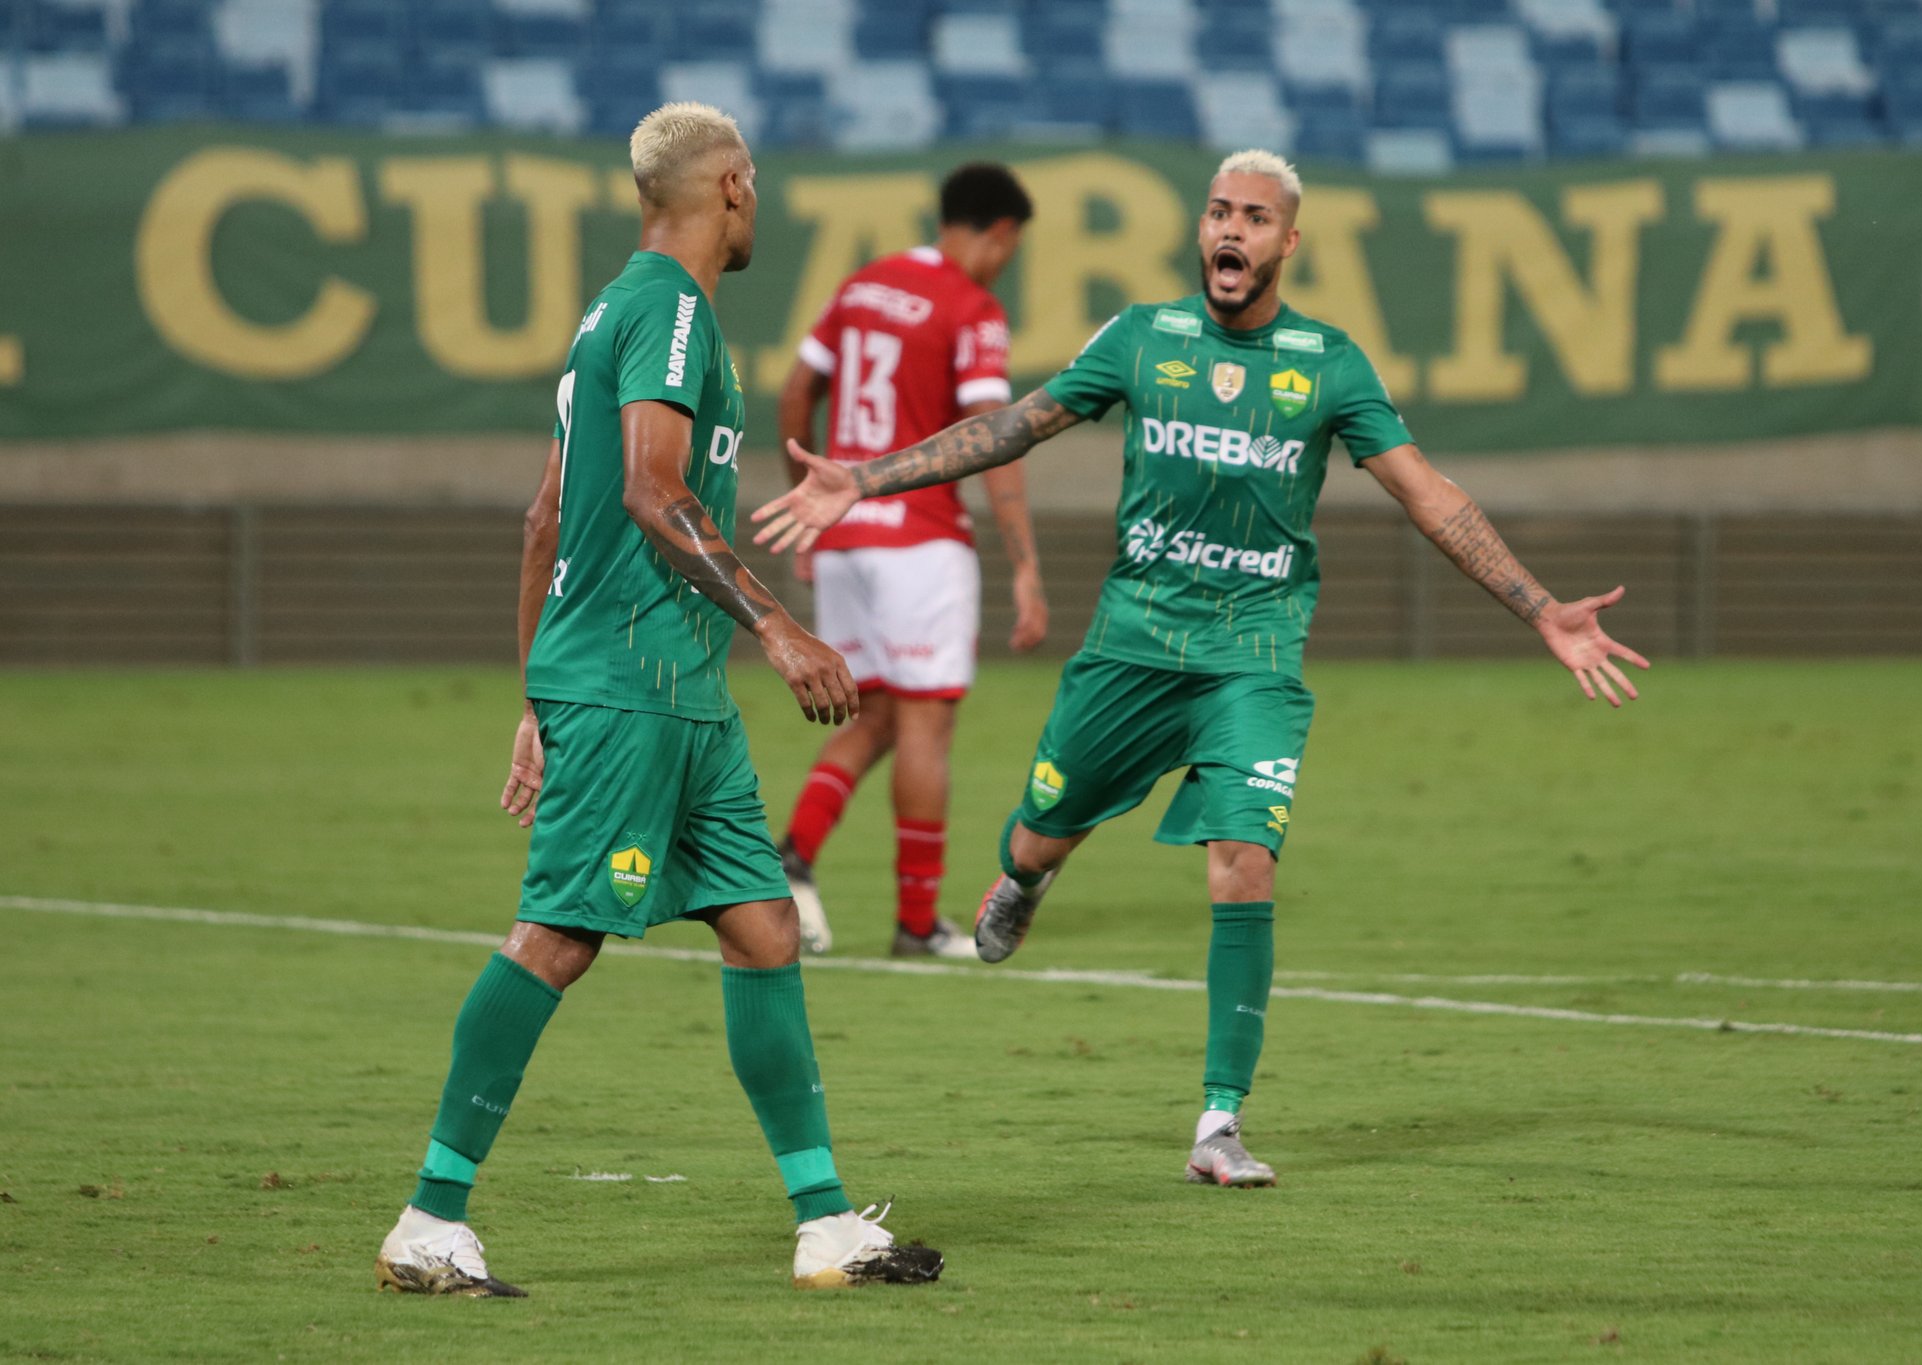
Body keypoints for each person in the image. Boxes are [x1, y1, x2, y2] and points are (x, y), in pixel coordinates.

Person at [753, 149, 1649, 1189]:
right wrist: (862, 476)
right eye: (1218, 212)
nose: (1231, 231)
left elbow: (1428, 495)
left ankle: (1217, 1122)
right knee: (1043, 825)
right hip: (1132, 645)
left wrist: (1540, 609)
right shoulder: (1141, 337)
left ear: (1286, 243)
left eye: (1254, 218)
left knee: (1244, 858)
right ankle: (1030, 873)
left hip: (1252, 656)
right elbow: (1012, 427)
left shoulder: (1329, 363)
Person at [373, 103, 941, 1298]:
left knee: (762, 924)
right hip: (634, 684)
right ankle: (430, 1216)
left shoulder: (616, 315)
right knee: (560, 935)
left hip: (666, 691)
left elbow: (545, 517)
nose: (760, 202)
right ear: (730, 186)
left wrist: (536, 695)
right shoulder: (671, 313)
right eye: (758, 183)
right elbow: (646, 488)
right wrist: (777, 623)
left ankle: (825, 1221)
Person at [775, 162, 1047, 960]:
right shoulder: (973, 307)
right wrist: (1024, 563)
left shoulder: (863, 285)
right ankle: (917, 922)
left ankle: (790, 858)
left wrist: (809, 507)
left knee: (878, 715)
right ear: (998, 233)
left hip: (849, 531)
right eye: (1011, 248)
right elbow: (995, 438)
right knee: (928, 721)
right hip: (920, 539)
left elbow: (795, 394)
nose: (1006, 263)